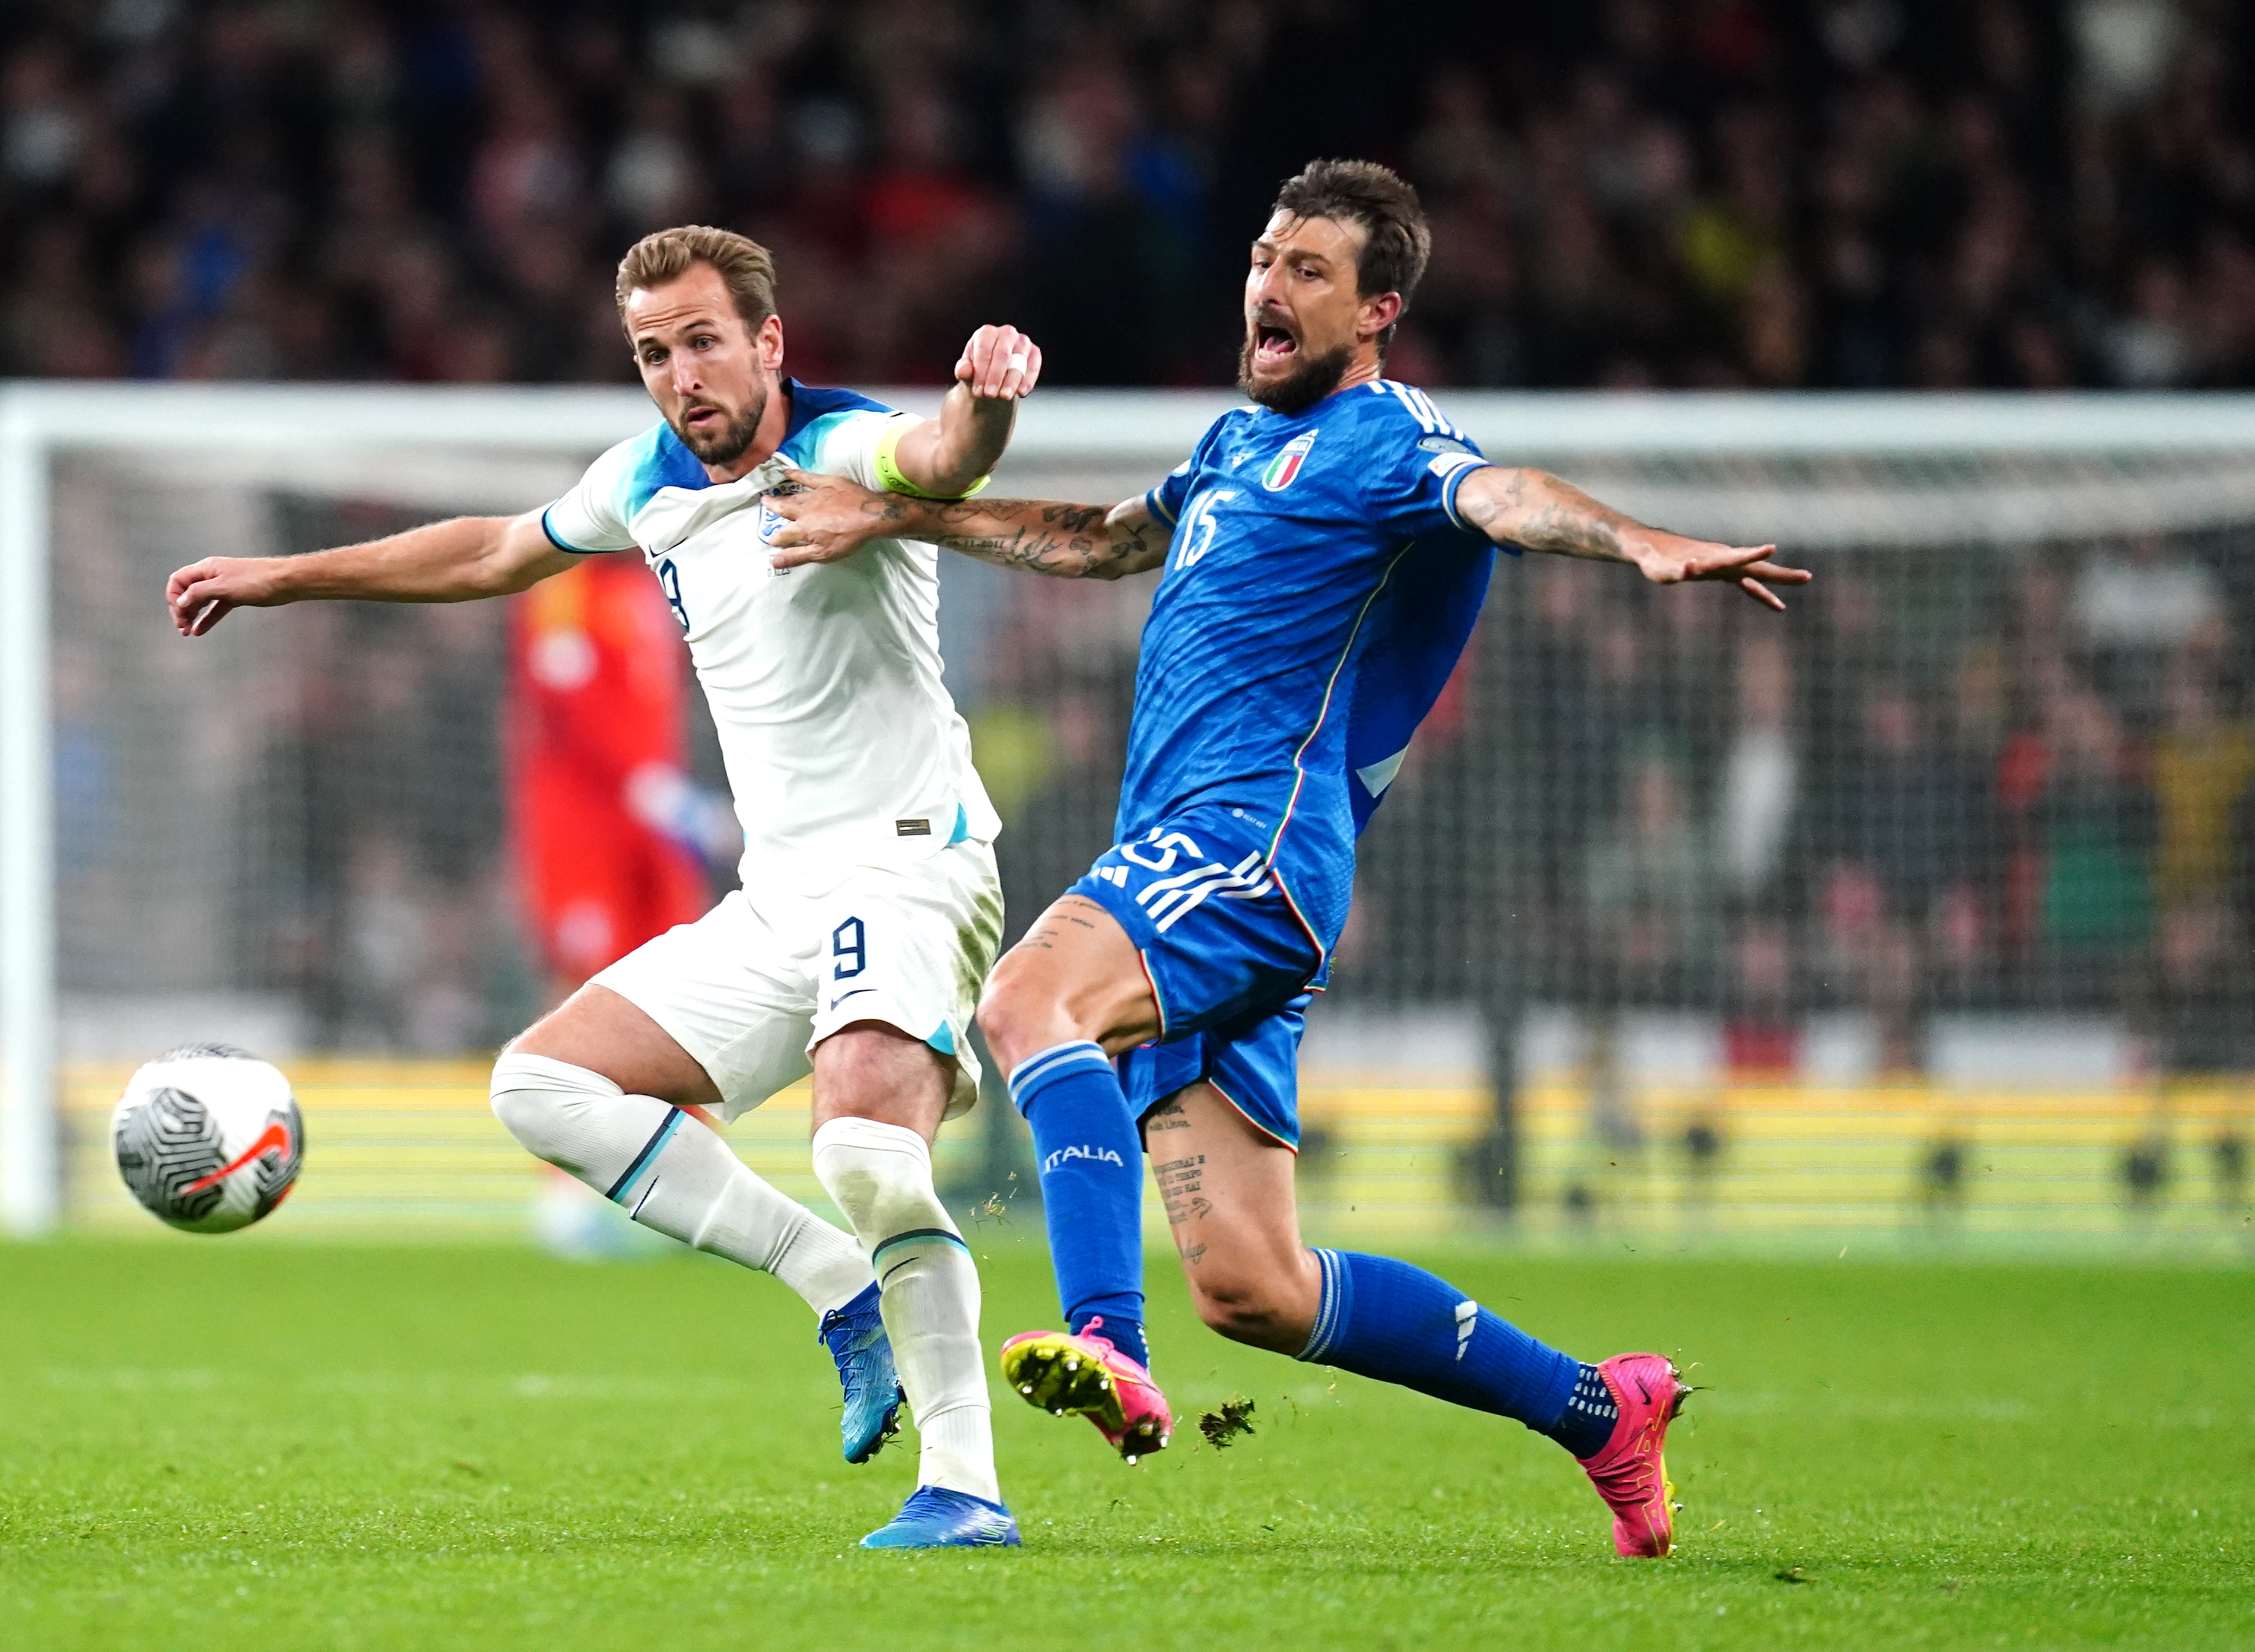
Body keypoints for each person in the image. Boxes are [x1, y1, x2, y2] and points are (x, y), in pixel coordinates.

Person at [764, 160, 1808, 1558]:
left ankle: (1102, 1343)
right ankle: (1599, 1412)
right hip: (1194, 858)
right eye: (1264, 256)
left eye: (1309, 269)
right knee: (1257, 1287)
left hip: (1249, 842)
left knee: (1029, 1004)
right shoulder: (1234, 445)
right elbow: (1102, 541)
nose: (1269, 282)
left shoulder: (1390, 440)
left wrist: (1636, 544)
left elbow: (1505, 497)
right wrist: (899, 514)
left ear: (1379, 310)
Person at [163, 225, 1039, 1551]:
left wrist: (980, 406)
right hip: (784, 893)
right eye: (652, 352)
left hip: (912, 861)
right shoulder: (645, 480)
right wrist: (286, 578)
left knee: (862, 1147)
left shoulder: (844, 446)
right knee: (541, 1085)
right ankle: (830, 1283)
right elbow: (489, 555)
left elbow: (941, 461)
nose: (681, 375)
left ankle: (965, 1485)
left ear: (769, 342)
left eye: (701, 341)